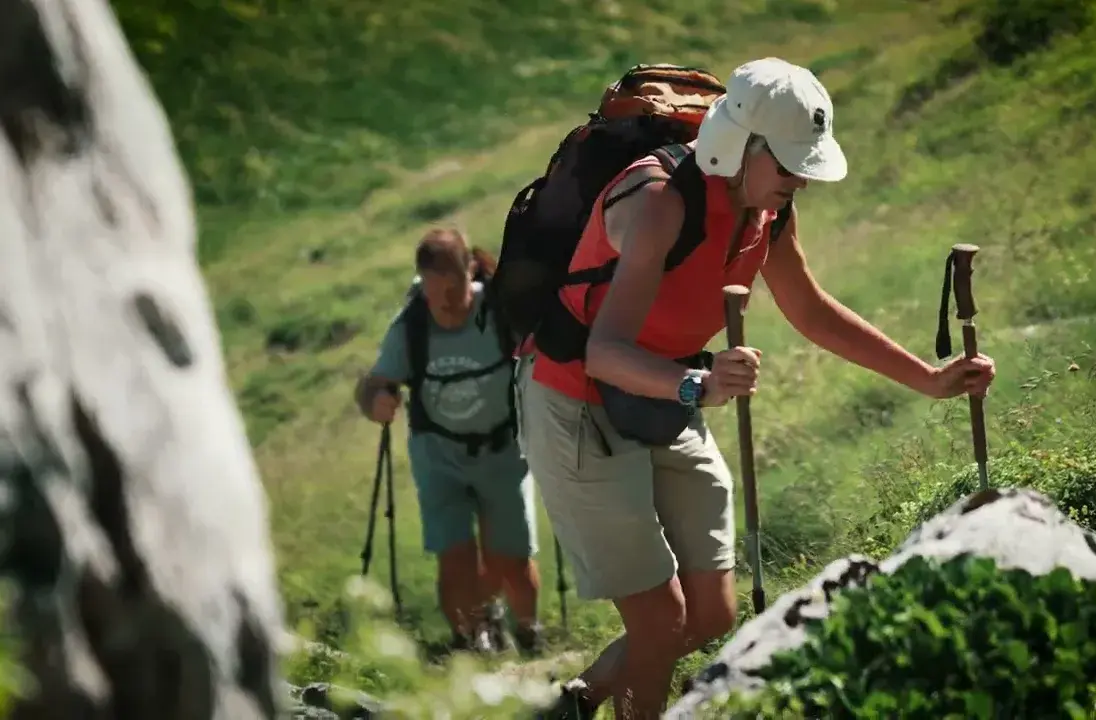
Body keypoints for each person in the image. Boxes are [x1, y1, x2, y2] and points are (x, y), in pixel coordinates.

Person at [519, 57, 997, 718]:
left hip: (669, 390)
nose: (800, 178)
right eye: (788, 163)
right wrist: (698, 385)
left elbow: (812, 311)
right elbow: (604, 353)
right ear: (738, 143)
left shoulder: (767, 210)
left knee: (709, 613)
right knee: (661, 619)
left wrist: (931, 379)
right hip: (577, 399)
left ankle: (575, 701)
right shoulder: (657, 201)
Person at [354, 227, 545, 656]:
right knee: (454, 557)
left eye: (453, 286)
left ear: (470, 272)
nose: (443, 301)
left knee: (510, 557)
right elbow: (374, 383)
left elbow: (542, 355)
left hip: (503, 450)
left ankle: (529, 633)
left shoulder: (498, 313)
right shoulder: (411, 327)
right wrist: (376, 402)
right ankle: (468, 642)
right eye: (433, 290)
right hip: (439, 456)